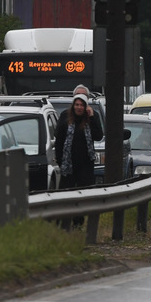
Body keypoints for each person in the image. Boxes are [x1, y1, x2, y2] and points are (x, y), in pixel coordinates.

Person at [54, 93, 104, 228]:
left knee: (82, 194)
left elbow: (99, 136)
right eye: (77, 104)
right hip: (68, 164)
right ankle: (63, 222)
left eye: (82, 105)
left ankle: (78, 223)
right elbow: (59, 141)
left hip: (85, 165)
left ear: (85, 107)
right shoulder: (65, 119)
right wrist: (60, 161)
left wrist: (92, 117)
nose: (79, 107)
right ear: (73, 106)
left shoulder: (90, 120)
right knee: (65, 194)